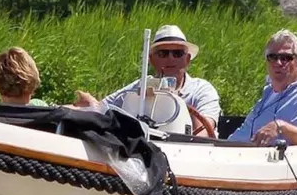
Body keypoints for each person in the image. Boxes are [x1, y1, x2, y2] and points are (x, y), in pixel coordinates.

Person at [74, 24, 221, 136]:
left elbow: (204, 132)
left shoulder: (202, 89)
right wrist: (89, 105)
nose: (170, 58)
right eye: (163, 53)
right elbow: (102, 108)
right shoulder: (140, 87)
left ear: (187, 59)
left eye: (177, 53)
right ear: (151, 59)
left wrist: (176, 104)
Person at [229, 29, 297, 155]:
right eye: (272, 57)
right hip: (233, 159)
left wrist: (281, 127)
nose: (278, 63)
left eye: (286, 58)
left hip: (265, 168)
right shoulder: (269, 94)